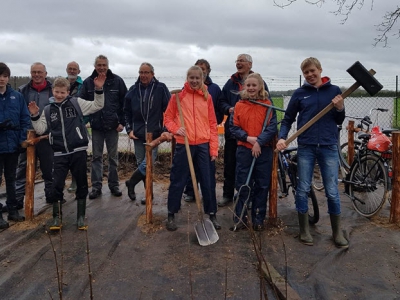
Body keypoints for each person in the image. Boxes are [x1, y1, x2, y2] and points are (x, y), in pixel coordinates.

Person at [276, 57, 349, 248]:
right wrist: (282, 137)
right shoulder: (300, 94)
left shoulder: (334, 91)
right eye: (306, 72)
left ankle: (337, 233)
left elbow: (339, 119)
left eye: (312, 71)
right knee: (302, 188)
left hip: (328, 146)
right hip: (306, 146)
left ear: (320, 70)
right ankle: (304, 230)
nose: (309, 75)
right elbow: (288, 118)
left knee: (332, 191)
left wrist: (340, 107)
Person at [28, 75, 105, 230]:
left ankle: (81, 218)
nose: (59, 95)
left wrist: (98, 89)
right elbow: (40, 129)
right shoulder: (48, 110)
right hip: (59, 153)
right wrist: (35, 115)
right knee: (56, 184)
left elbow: (97, 105)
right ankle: (57, 218)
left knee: (82, 183)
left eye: (63, 92)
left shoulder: (76, 103)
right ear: (52, 91)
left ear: (68, 92)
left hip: (78, 151)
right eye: (57, 92)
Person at [164, 65, 220, 231]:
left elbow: (212, 123)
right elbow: (167, 118)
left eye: (198, 78)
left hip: (203, 144)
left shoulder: (207, 97)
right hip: (184, 144)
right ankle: (171, 213)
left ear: (202, 78)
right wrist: (176, 129)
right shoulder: (178, 97)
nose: (194, 81)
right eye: (192, 78)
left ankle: (212, 214)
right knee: (178, 179)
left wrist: (213, 148)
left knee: (208, 181)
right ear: (187, 78)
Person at [218, 54, 269, 207]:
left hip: (253, 136)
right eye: (237, 61)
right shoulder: (230, 82)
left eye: (241, 61)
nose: (238, 63)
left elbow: (267, 105)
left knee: (251, 168)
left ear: (250, 64)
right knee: (230, 164)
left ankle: (248, 198)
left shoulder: (258, 81)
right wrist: (229, 108)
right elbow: (221, 101)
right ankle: (228, 194)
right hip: (234, 132)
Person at [229, 73, 277, 231]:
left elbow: (271, 128)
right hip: (245, 150)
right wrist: (248, 138)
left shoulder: (268, 105)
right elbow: (233, 128)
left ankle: (258, 217)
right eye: (248, 85)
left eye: (254, 85)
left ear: (260, 87)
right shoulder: (239, 105)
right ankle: (240, 217)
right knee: (243, 183)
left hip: (264, 151)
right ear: (244, 87)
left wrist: (260, 142)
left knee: (262, 185)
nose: (250, 88)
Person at [79, 55, 127, 199]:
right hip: (97, 126)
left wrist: (122, 122)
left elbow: (125, 103)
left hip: (113, 126)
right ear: (95, 66)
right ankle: (96, 186)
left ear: (107, 65)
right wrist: (86, 120)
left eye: (104, 65)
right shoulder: (88, 83)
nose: (101, 67)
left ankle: (114, 185)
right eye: (99, 65)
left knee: (113, 157)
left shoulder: (117, 81)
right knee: (96, 157)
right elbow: (82, 103)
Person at [124, 62, 170, 204]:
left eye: (146, 72)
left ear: (152, 74)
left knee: (147, 164)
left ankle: (131, 183)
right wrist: (129, 129)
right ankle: (147, 194)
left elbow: (169, 111)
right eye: (141, 72)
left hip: (154, 134)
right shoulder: (132, 90)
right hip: (137, 134)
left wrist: (166, 129)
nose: (143, 75)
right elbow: (126, 112)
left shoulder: (161, 88)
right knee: (141, 163)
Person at [15, 62, 54, 209]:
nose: (36, 75)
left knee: (49, 167)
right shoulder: (22, 91)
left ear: (45, 73)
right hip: (27, 136)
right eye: (34, 72)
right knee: (22, 168)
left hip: (46, 136)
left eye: (39, 72)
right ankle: (18, 199)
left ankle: (51, 195)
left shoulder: (52, 91)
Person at [183, 59, 222, 203]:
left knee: (207, 172)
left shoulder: (214, 89)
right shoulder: (184, 92)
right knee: (190, 168)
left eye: (202, 69)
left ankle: (209, 200)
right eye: (197, 68)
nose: (199, 71)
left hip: (205, 136)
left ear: (207, 72)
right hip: (191, 137)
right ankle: (191, 191)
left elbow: (217, 109)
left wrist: (210, 124)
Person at [0, 63, 31, 227]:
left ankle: (12, 210)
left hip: (12, 144)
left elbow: (25, 119)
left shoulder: (17, 96)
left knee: (11, 178)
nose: (1, 79)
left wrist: (21, 140)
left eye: (4, 76)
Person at [66, 61, 84, 193]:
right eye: (70, 69)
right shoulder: (61, 83)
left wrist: (83, 120)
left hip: (77, 125)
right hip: (63, 124)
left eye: (74, 69)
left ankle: (76, 180)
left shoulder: (83, 86)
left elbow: (87, 104)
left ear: (79, 71)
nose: (72, 71)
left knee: (78, 154)